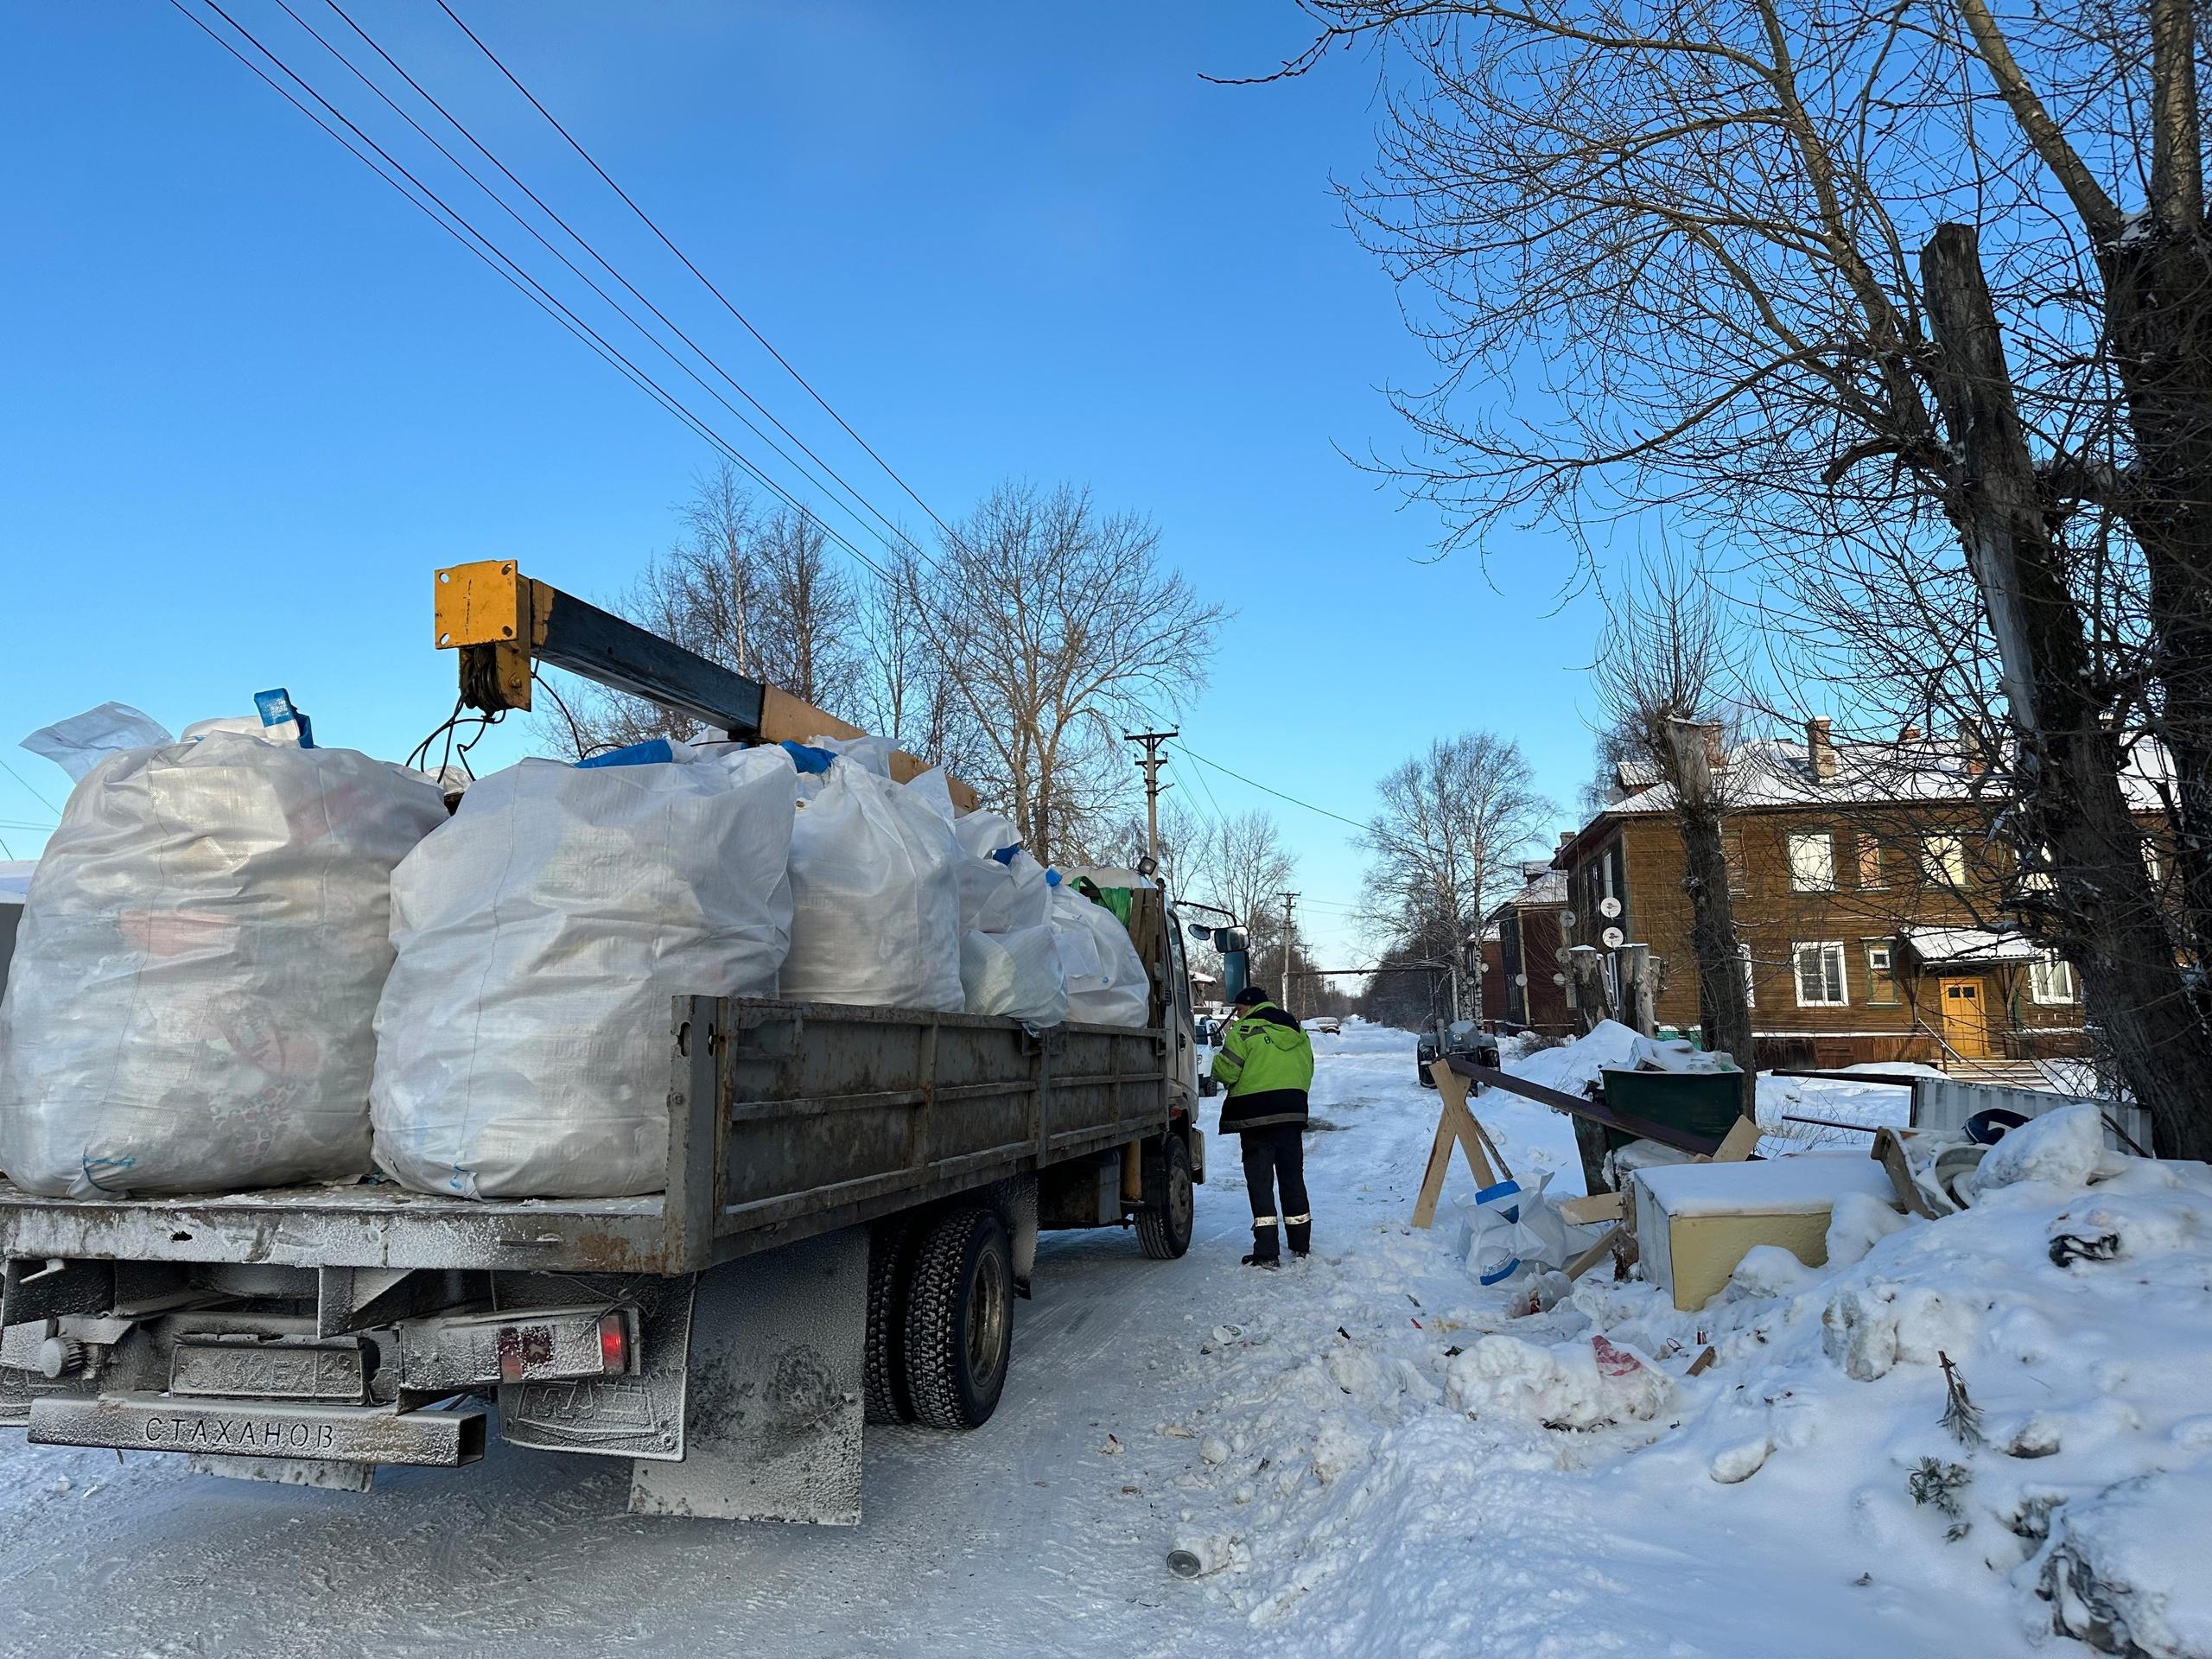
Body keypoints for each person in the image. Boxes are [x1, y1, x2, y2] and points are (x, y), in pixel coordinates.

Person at [1210, 983, 1315, 1267]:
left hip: (1255, 1119)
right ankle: (1301, 1244)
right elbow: (1308, 1069)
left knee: (1260, 1184)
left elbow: (1225, 1072)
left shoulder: (1244, 1031)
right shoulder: (1298, 1032)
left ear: (1248, 1007)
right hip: (1291, 1115)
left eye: (1240, 1009)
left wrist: (1218, 1067)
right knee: (1293, 1178)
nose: (1239, 1015)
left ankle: (1267, 1252)